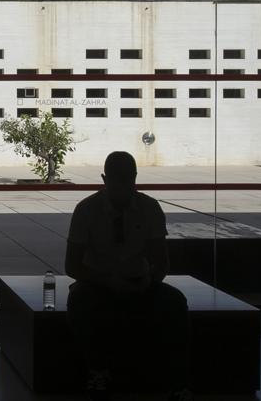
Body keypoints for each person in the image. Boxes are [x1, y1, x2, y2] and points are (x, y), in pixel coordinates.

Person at [64, 151, 191, 401]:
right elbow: (72, 266)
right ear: (104, 178)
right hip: (97, 283)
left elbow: (161, 261)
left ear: (134, 178)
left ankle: (177, 380)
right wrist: (107, 280)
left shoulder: (149, 208)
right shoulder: (87, 210)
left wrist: (150, 280)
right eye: (116, 179)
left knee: (175, 302)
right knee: (80, 300)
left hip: (140, 282)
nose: (121, 186)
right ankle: (97, 372)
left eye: (126, 179)